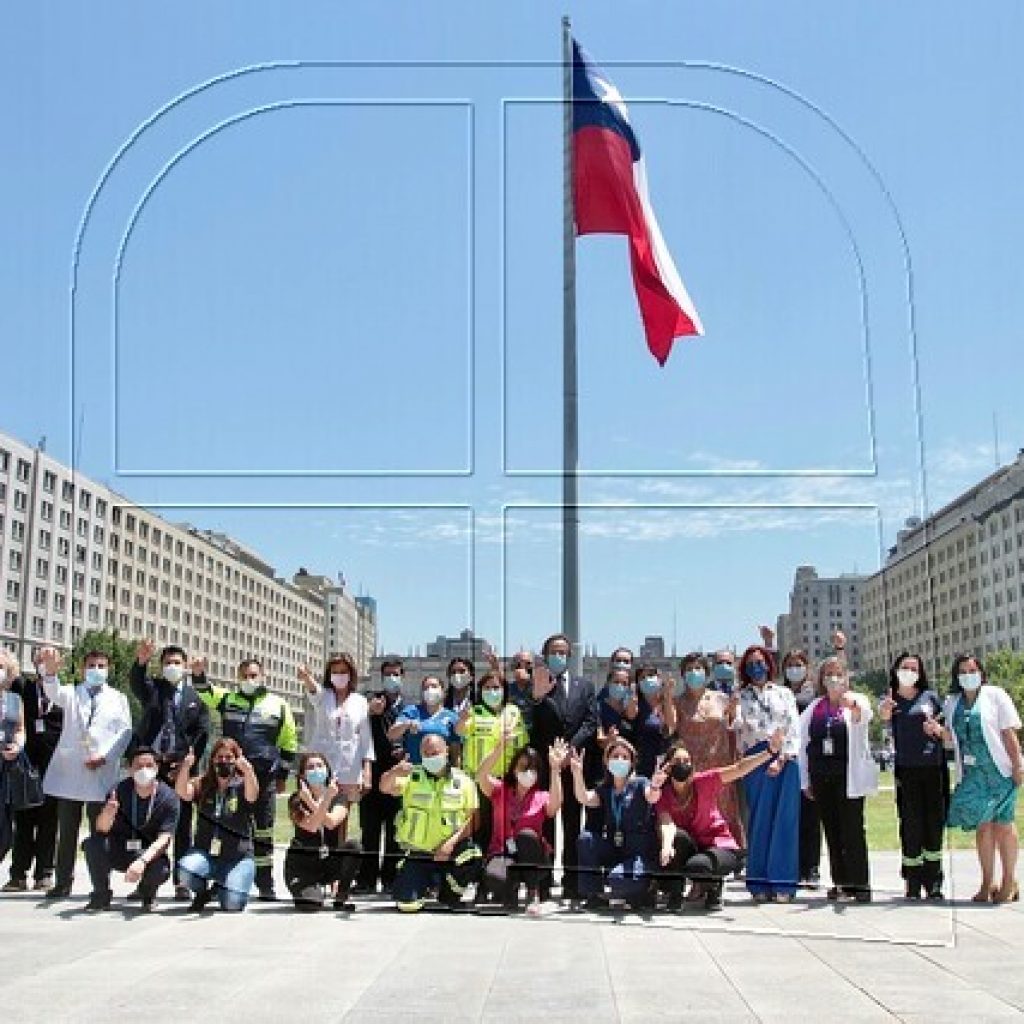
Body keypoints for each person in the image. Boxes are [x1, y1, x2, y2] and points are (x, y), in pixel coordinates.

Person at [194, 657, 298, 900]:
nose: (249, 680)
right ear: (238, 678)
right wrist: (198, 674)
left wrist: (282, 775)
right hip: (232, 778)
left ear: (263, 677)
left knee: (263, 830)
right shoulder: (227, 698)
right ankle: (222, 878)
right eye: (244, 676)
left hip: (264, 776)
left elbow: (289, 742)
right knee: (230, 826)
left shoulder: (278, 705)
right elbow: (205, 692)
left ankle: (265, 884)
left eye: (253, 675)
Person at [36, 646, 132, 899]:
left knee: (100, 832)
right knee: (67, 832)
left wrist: (106, 757)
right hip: (71, 772)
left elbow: (125, 734)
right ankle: (62, 882)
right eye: (91, 666)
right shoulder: (71, 693)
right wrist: (50, 671)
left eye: (101, 666)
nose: (96, 670)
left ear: (109, 670)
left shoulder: (118, 699)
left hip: (101, 772)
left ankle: (100, 885)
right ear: (82, 669)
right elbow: (53, 691)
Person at [658, 730, 784, 910]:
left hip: (718, 845)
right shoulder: (664, 794)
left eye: (687, 761)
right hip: (691, 845)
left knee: (699, 867)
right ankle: (675, 895)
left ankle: (714, 887)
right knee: (677, 838)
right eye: (678, 761)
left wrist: (769, 752)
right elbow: (667, 823)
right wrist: (666, 846)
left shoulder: (704, 781)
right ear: (668, 766)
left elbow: (738, 769)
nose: (683, 764)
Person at [130, 639, 210, 900]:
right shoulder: (153, 689)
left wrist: (187, 764)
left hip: (181, 768)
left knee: (183, 826)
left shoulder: (195, 697)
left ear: (185, 666)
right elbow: (137, 683)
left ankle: (182, 882)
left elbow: (202, 732)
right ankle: (146, 882)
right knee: (149, 824)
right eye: (167, 663)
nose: (172, 666)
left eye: (177, 662)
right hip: (153, 766)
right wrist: (141, 662)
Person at [941, 654, 1023, 904]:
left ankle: (1009, 881)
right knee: (983, 826)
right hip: (972, 774)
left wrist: (1017, 765)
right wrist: (938, 731)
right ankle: (988, 882)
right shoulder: (952, 703)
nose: (968, 675)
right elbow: (952, 738)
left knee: (1004, 824)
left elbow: (1008, 732)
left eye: (972, 670)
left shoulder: (995, 696)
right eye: (963, 672)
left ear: (981, 673)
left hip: (999, 770)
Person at [797, 657, 878, 902]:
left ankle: (860, 884)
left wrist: (851, 706)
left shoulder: (856, 700)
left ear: (846, 677)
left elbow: (864, 715)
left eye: (838, 674)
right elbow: (802, 742)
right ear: (821, 679)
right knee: (832, 831)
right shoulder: (815, 707)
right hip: (821, 777)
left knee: (852, 830)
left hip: (848, 777)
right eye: (828, 674)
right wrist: (805, 781)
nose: (833, 679)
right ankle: (841, 883)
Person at [728, 644, 800, 902]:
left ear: (769, 665)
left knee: (785, 820)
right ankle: (758, 882)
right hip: (755, 758)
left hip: (785, 757)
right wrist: (731, 710)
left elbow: (793, 726)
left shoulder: (783, 693)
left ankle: (783, 883)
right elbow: (736, 725)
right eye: (750, 664)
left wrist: (782, 757)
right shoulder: (741, 696)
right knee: (759, 819)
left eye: (760, 662)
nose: (756, 668)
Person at [530, 633, 599, 902]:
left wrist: (571, 749)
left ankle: (572, 881)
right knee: (546, 824)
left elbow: (590, 722)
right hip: (547, 765)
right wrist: (537, 698)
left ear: (569, 656)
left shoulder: (585, 686)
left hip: (574, 765)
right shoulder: (539, 685)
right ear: (545, 656)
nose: (559, 656)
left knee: (572, 824)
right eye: (554, 652)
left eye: (563, 652)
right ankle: (544, 881)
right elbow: (532, 724)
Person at [381, 734, 482, 912]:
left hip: (449, 853)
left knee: (472, 855)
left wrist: (450, 844)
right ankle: (419, 885)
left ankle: (449, 894)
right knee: (407, 906)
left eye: (435, 753)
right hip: (418, 853)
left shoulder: (464, 781)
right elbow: (385, 787)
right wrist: (395, 772)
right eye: (426, 754)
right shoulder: (412, 776)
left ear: (446, 751)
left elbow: (473, 820)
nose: (431, 758)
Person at [878, 652, 947, 900]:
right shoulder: (891, 699)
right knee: (910, 824)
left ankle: (934, 880)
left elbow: (944, 728)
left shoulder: (930, 697)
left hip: (932, 767)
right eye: (904, 667)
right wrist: (886, 709)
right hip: (906, 770)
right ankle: (913, 879)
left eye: (914, 668)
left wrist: (937, 729)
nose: (909, 672)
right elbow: (883, 717)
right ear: (896, 670)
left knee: (933, 824)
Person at [476, 733, 568, 913]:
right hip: (503, 853)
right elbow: (481, 775)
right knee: (494, 876)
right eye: (523, 767)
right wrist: (499, 749)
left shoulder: (541, 796)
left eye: (533, 769)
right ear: (514, 769)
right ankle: (510, 891)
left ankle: (533, 893)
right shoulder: (500, 790)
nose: (528, 772)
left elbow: (555, 806)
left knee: (526, 836)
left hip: (534, 858)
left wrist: (555, 769)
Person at [81, 746, 179, 911]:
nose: (144, 770)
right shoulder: (118, 791)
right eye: (139, 766)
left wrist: (142, 861)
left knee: (161, 869)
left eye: (149, 766)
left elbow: (165, 838)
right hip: (119, 848)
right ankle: (101, 895)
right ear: (129, 769)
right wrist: (108, 813)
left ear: (157, 768)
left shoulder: (168, 797)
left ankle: (147, 894)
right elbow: (101, 829)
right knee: (93, 844)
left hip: (147, 851)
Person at [572, 737, 665, 910]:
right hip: (615, 849)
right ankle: (594, 895)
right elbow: (584, 797)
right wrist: (577, 773)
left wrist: (655, 786)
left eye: (625, 757)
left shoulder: (640, 783)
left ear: (632, 762)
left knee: (618, 880)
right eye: (615, 756)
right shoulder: (605, 789)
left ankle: (647, 887)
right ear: (607, 761)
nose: (620, 760)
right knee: (586, 839)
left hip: (638, 853)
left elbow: (652, 797)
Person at [175, 738, 259, 912]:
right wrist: (185, 767)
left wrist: (248, 770)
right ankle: (202, 892)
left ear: (236, 759)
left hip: (237, 857)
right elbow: (183, 792)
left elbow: (252, 796)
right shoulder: (203, 783)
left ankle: (221, 887)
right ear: (212, 759)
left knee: (232, 904)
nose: (224, 761)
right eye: (219, 757)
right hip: (206, 853)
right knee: (185, 870)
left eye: (229, 757)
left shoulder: (242, 784)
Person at [6, 648, 63, 892]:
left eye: (49, 660)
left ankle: (44, 873)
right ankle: (18, 874)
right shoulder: (23, 688)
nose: (44, 664)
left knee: (49, 821)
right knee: (24, 820)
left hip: (54, 766)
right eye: (40, 660)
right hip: (25, 764)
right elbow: (8, 676)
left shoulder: (64, 694)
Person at [673, 652, 744, 847]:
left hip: (720, 767)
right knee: (696, 813)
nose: (694, 672)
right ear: (683, 674)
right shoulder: (677, 702)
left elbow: (733, 727)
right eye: (689, 669)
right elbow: (670, 728)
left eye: (698, 668)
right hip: (692, 770)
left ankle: (731, 853)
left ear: (706, 672)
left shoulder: (722, 699)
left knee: (724, 813)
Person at [456, 670, 528, 857]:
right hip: (480, 780)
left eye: (496, 687)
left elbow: (523, 743)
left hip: (506, 780)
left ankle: (506, 863)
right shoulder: (475, 712)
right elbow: (460, 731)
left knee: (506, 825)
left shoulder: (513, 711)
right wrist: (462, 720)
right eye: (487, 688)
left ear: (504, 689)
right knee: (482, 825)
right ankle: (481, 866)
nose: (492, 691)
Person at [283, 752, 362, 912]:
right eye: (310, 767)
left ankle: (341, 894)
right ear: (303, 775)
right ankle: (309, 889)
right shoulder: (296, 800)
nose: (316, 770)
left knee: (354, 846)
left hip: (328, 861)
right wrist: (312, 800)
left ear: (327, 770)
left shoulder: (339, 798)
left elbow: (331, 822)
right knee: (310, 905)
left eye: (320, 766)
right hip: (303, 866)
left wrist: (321, 799)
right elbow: (312, 826)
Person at [354, 656, 406, 894]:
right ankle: (366, 879)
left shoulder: (408, 709)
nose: (392, 679)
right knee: (370, 830)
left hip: (398, 776)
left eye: (396, 674)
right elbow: (354, 725)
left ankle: (390, 879)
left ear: (402, 677)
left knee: (395, 832)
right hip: (372, 774)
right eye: (388, 675)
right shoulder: (371, 701)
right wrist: (370, 711)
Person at [298, 653, 373, 810]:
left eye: (343, 671)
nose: (339, 675)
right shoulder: (323, 696)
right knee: (316, 810)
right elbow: (313, 690)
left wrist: (367, 771)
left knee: (341, 813)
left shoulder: (360, 701)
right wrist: (307, 678)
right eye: (335, 672)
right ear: (329, 674)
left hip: (349, 768)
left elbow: (366, 739)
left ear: (351, 674)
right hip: (321, 766)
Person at [780, 648, 822, 887]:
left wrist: (840, 650)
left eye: (799, 664)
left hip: (810, 757)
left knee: (811, 815)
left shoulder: (814, 691)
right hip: (788, 758)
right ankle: (794, 866)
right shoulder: (781, 691)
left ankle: (812, 867)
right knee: (790, 816)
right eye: (790, 665)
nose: (794, 669)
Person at [388, 675, 459, 765]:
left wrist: (456, 768)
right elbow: (391, 735)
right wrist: (406, 725)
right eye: (426, 688)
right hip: (415, 768)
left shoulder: (451, 716)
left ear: (443, 692)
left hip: (440, 769)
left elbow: (455, 750)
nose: (430, 690)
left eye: (434, 686)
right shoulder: (411, 711)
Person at [0, 653, 27, 866]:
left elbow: (20, 729)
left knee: (4, 833)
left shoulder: (14, 700)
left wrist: (18, 746)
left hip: (6, 768)